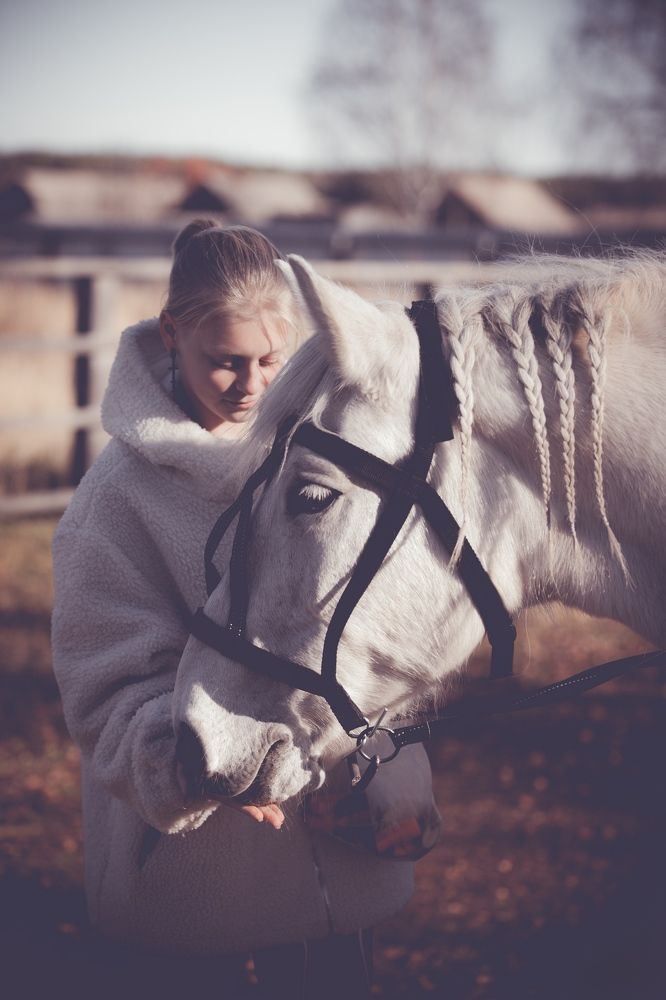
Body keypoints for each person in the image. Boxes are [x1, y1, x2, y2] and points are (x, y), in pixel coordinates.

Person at [51, 220, 440, 999]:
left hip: (344, 870)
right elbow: (106, 699)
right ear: (171, 335)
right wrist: (205, 770)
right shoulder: (113, 504)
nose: (251, 383)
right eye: (223, 361)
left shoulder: (328, 458)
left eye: (269, 359)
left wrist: (388, 752)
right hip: (203, 903)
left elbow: (366, 620)